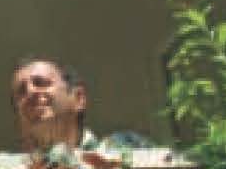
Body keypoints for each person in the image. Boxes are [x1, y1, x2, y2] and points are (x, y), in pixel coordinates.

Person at [9, 57, 155, 155]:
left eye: (41, 83)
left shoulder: (127, 150)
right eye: (21, 91)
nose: (30, 92)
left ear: (78, 98)